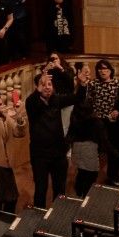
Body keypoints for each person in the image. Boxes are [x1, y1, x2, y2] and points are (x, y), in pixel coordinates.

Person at [26, 71, 76, 208]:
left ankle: (58, 215)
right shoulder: (31, 103)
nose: (47, 87)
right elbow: (32, 102)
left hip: (58, 154)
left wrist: (83, 84)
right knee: (41, 189)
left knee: (60, 189)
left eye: (49, 84)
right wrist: (39, 90)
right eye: (43, 84)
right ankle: (37, 218)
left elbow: (76, 98)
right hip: (40, 155)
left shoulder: (56, 100)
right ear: (37, 87)